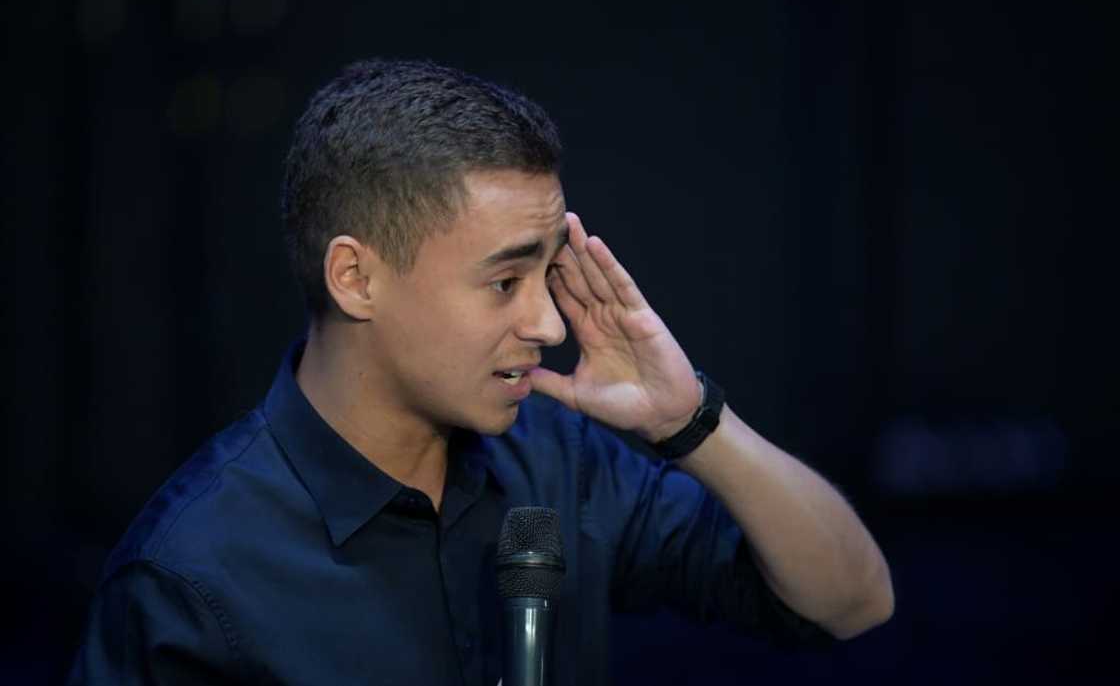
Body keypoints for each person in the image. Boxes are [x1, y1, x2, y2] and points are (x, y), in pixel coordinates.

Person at [67, 59, 893, 685]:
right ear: (356, 277)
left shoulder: (559, 459)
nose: (548, 322)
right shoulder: (189, 582)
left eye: (548, 275)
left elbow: (855, 600)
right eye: (505, 281)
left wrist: (691, 422)